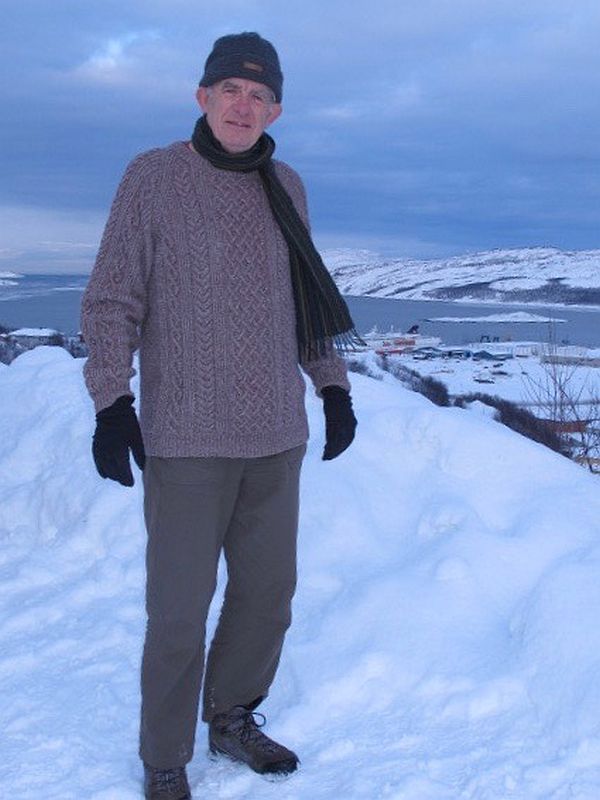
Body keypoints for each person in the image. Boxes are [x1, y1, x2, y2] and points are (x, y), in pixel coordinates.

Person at [81, 32, 359, 800]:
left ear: (277, 110)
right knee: (177, 611)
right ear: (202, 96)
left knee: (267, 594)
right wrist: (112, 401)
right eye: (230, 90)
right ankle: (165, 757)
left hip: (276, 435)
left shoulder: (286, 185)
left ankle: (232, 717)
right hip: (187, 438)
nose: (245, 106)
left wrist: (332, 387)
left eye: (260, 95)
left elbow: (305, 301)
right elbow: (112, 299)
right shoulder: (155, 177)